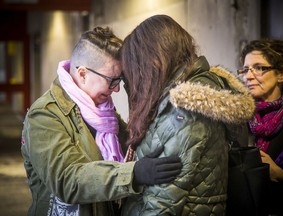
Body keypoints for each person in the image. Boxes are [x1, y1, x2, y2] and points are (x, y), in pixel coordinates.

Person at [21, 26, 182, 216]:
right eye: (111, 80)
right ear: (82, 74)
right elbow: (67, 181)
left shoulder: (103, 111)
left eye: (119, 81)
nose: (116, 90)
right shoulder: (44, 116)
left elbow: (129, 145)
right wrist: (133, 174)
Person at [120, 14, 255, 215]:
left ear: (155, 60)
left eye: (136, 67)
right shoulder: (190, 96)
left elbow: (162, 205)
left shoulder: (185, 109)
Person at [238, 39, 283, 216]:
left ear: (281, 74)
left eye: (259, 68)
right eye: (245, 70)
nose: (248, 76)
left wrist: (282, 174)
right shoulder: (236, 118)